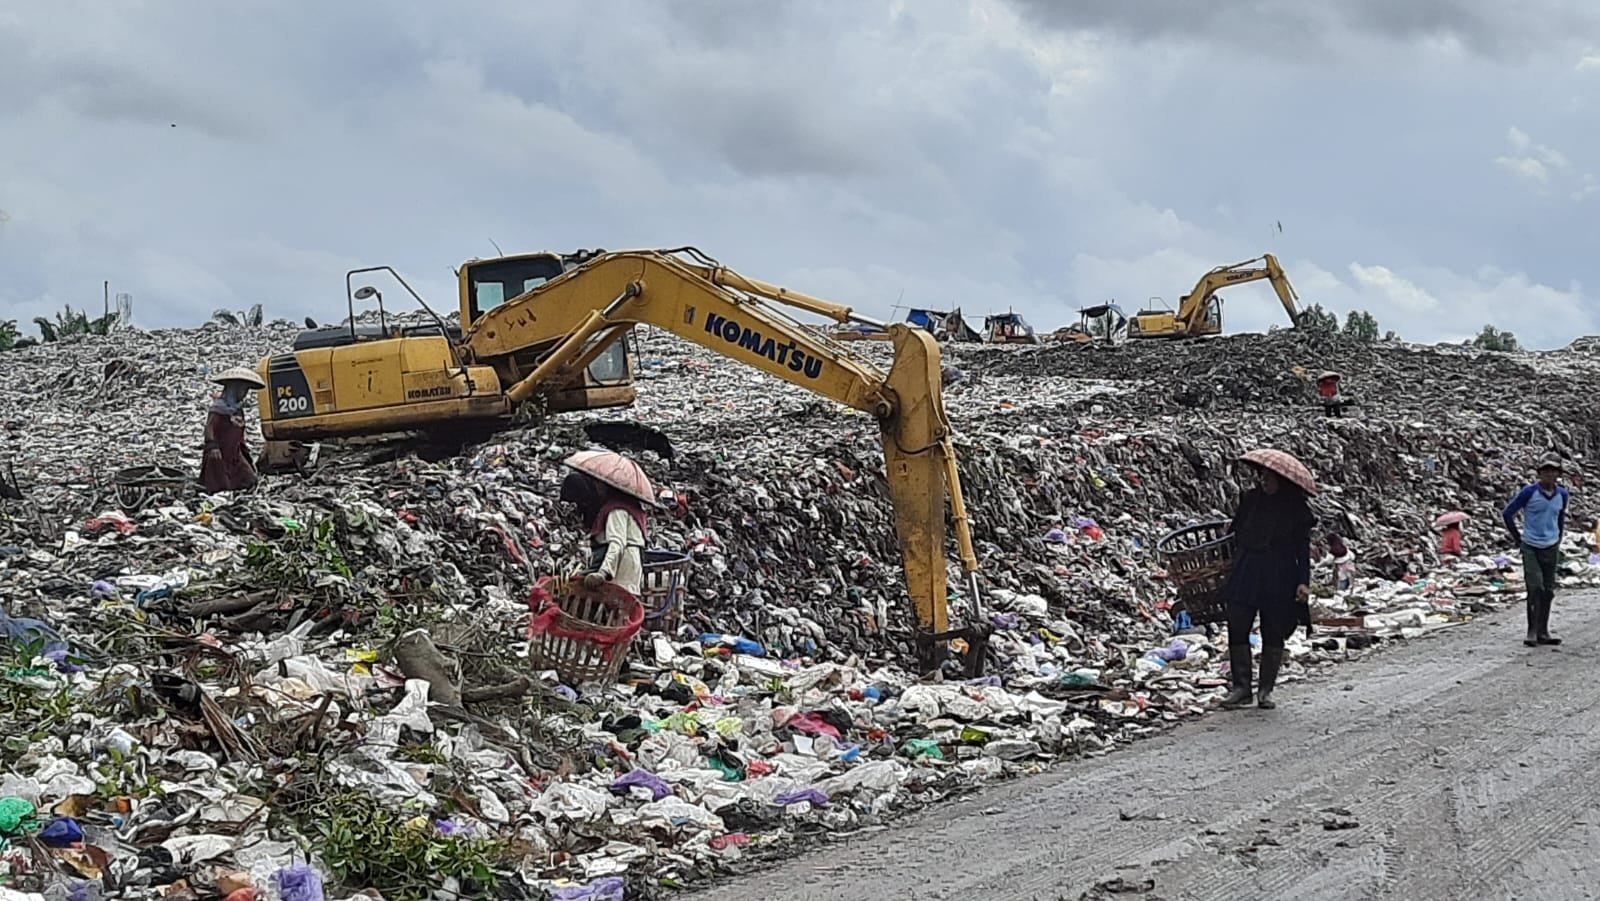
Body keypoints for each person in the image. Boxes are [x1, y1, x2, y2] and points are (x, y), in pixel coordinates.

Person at [1220, 450, 1316, 710]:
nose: (1264, 482)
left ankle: (1265, 690)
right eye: (1262, 477)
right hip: (1247, 570)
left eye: (1270, 478)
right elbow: (1234, 534)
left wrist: (1303, 581)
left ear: (1282, 482)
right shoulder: (1251, 500)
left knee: (1273, 630)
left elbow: (1302, 549)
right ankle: (1241, 688)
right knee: (1238, 625)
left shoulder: (1296, 510)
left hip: (1279, 574)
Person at [1502, 460, 1570, 647]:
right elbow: (1508, 513)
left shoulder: (1562, 494)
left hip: (1551, 545)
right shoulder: (1529, 492)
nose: (1549, 476)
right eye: (1546, 472)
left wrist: (1559, 537)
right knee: (1535, 587)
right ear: (1539, 474)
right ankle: (1532, 631)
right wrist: (1518, 539)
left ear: (1558, 475)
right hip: (1531, 545)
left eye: (1553, 472)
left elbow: (1561, 516)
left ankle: (1543, 631)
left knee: (1548, 590)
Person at [560, 467, 648, 598]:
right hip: (627, 562)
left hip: (622, 564)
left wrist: (603, 572)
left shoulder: (617, 510)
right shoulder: (626, 505)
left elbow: (617, 543)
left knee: (616, 606)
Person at [200, 367, 265, 494]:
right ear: (233, 389)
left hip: (235, 453)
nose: (244, 394)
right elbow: (210, 428)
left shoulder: (238, 410)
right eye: (242, 390)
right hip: (219, 453)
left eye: (246, 390)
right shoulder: (218, 408)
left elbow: (240, 433)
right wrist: (212, 446)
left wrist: (246, 454)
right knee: (221, 486)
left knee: (250, 480)